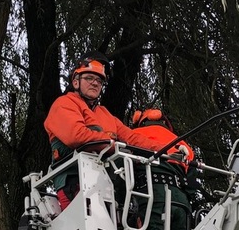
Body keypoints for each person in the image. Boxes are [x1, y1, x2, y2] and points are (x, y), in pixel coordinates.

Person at [44, 51, 166, 210]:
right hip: (75, 180)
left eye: (99, 80)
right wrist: (114, 145)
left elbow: (133, 139)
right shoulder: (64, 104)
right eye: (89, 78)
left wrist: (168, 151)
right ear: (75, 82)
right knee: (86, 228)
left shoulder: (105, 115)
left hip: (107, 182)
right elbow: (77, 136)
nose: (95, 83)